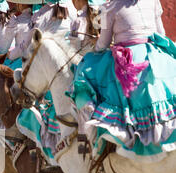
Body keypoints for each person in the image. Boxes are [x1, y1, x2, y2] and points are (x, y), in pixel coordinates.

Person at [68, 0, 176, 161]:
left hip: (129, 61)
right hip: (155, 56)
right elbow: (160, 34)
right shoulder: (153, 1)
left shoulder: (110, 7)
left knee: (84, 70)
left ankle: (86, 138)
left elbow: (102, 45)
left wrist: (98, 47)